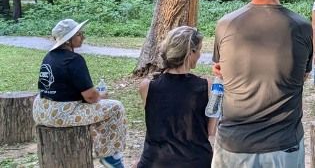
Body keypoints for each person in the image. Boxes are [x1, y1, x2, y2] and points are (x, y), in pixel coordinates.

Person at [211, 0, 313, 168]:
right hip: (284, 146)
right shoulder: (302, 27)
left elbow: (220, 71)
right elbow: (302, 75)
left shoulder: (226, 25)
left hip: (234, 146)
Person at [33, 19, 127, 168]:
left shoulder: (49, 56)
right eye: (79, 34)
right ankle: (110, 156)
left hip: (41, 110)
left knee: (94, 109)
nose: (83, 37)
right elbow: (91, 97)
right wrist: (101, 96)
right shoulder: (74, 60)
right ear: (68, 40)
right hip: (61, 114)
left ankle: (104, 149)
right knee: (115, 107)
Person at [137, 26, 215, 168]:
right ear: (190, 52)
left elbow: (158, 125)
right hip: (195, 161)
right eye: (199, 49)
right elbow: (211, 131)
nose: (200, 54)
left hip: (155, 161)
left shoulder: (147, 86)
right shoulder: (207, 86)